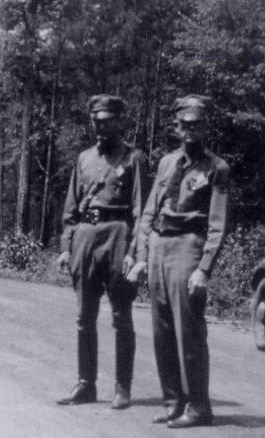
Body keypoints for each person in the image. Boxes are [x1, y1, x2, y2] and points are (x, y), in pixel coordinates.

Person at [127, 94, 229, 428]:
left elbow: (217, 224)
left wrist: (204, 268)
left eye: (197, 124)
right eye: (185, 125)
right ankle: (173, 401)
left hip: (188, 246)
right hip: (159, 246)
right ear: (176, 126)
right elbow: (148, 212)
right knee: (162, 330)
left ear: (206, 127)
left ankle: (199, 407)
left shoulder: (217, 168)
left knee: (190, 331)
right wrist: (141, 255)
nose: (191, 131)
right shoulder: (167, 162)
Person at [56, 95, 146, 410]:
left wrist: (136, 252)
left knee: (121, 317)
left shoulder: (134, 159)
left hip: (119, 234)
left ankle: (123, 387)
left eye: (108, 120)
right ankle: (86, 384)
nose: (102, 125)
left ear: (120, 121)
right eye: (97, 120)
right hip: (85, 237)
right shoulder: (83, 159)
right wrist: (66, 248)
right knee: (84, 317)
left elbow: (142, 211)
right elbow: (70, 208)